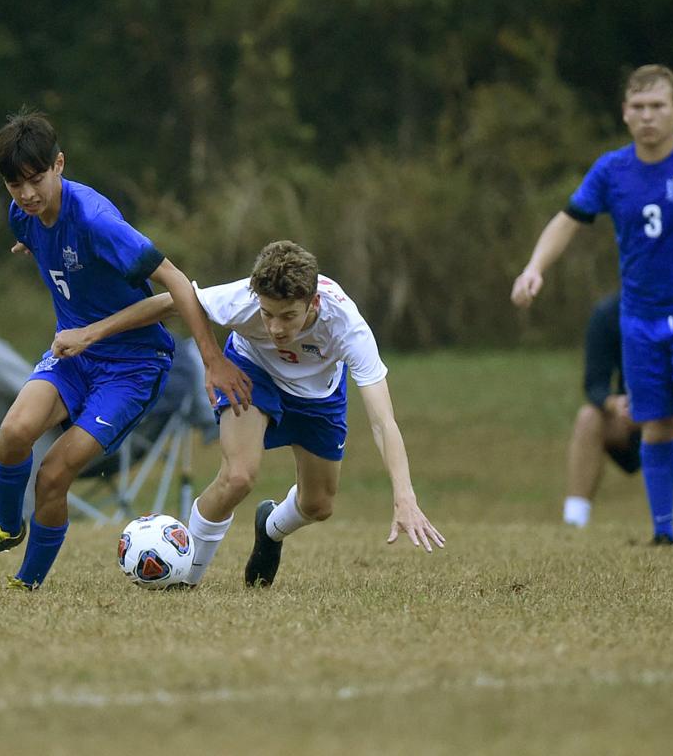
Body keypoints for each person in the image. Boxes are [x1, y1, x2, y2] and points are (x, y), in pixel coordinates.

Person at [0, 110, 251, 591]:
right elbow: (45, 239)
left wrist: (212, 360)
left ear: (59, 164)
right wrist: (36, 244)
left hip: (133, 367)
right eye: (14, 184)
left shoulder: (96, 221)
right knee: (13, 432)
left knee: (52, 475)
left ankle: (26, 584)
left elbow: (176, 283)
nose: (27, 194)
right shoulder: (22, 216)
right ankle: (4, 527)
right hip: (75, 357)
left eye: (36, 179)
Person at [52, 240, 445, 588]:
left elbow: (383, 421)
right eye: (267, 314)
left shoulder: (348, 326)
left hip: (318, 396)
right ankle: (187, 576)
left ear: (313, 303)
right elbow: (174, 302)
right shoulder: (242, 298)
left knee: (318, 505)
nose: (275, 328)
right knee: (238, 476)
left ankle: (270, 528)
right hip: (251, 373)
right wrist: (90, 333)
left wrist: (404, 496)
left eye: (288, 316)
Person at [512, 64, 673, 546]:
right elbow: (568, 219)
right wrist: (535, 266)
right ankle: (663, 533)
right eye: (638, 107)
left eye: (657, 106)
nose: (647, 116)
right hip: (640, 320)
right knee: (655, 424)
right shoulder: (612, 170)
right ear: (624, 113)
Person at [562, 293, 642, 527]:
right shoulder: (609, 313)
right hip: (634, 417)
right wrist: (615, 404)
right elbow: (595, 384)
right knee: (588, 417)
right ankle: (574, 520)